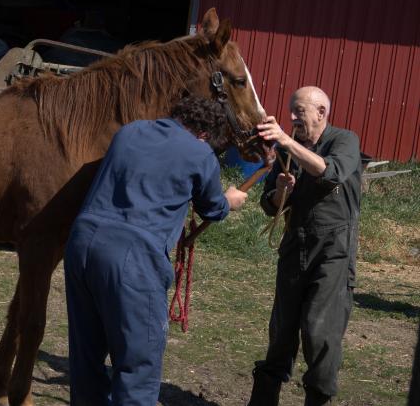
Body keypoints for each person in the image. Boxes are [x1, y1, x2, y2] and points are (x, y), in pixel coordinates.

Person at [64, 96, 248, 405]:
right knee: (139, 359)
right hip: (133, 256)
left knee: (86, 353)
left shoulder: (131, 131)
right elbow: (213, 209)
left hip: (83, 242)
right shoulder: (200, 153)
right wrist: (230, 199)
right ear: (205, 134)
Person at [248, 86, 362, 406]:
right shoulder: (289, 150)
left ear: (321, 113)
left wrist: (284, 140)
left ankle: (318, 397)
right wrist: (280, 191)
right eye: (291, 111)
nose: (292, 118)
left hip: (333, 249)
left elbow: (331, 172)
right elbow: (269, 205)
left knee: (319, 329)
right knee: (282, 328)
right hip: (294, 244)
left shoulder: (344, 140)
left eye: (299, 111)